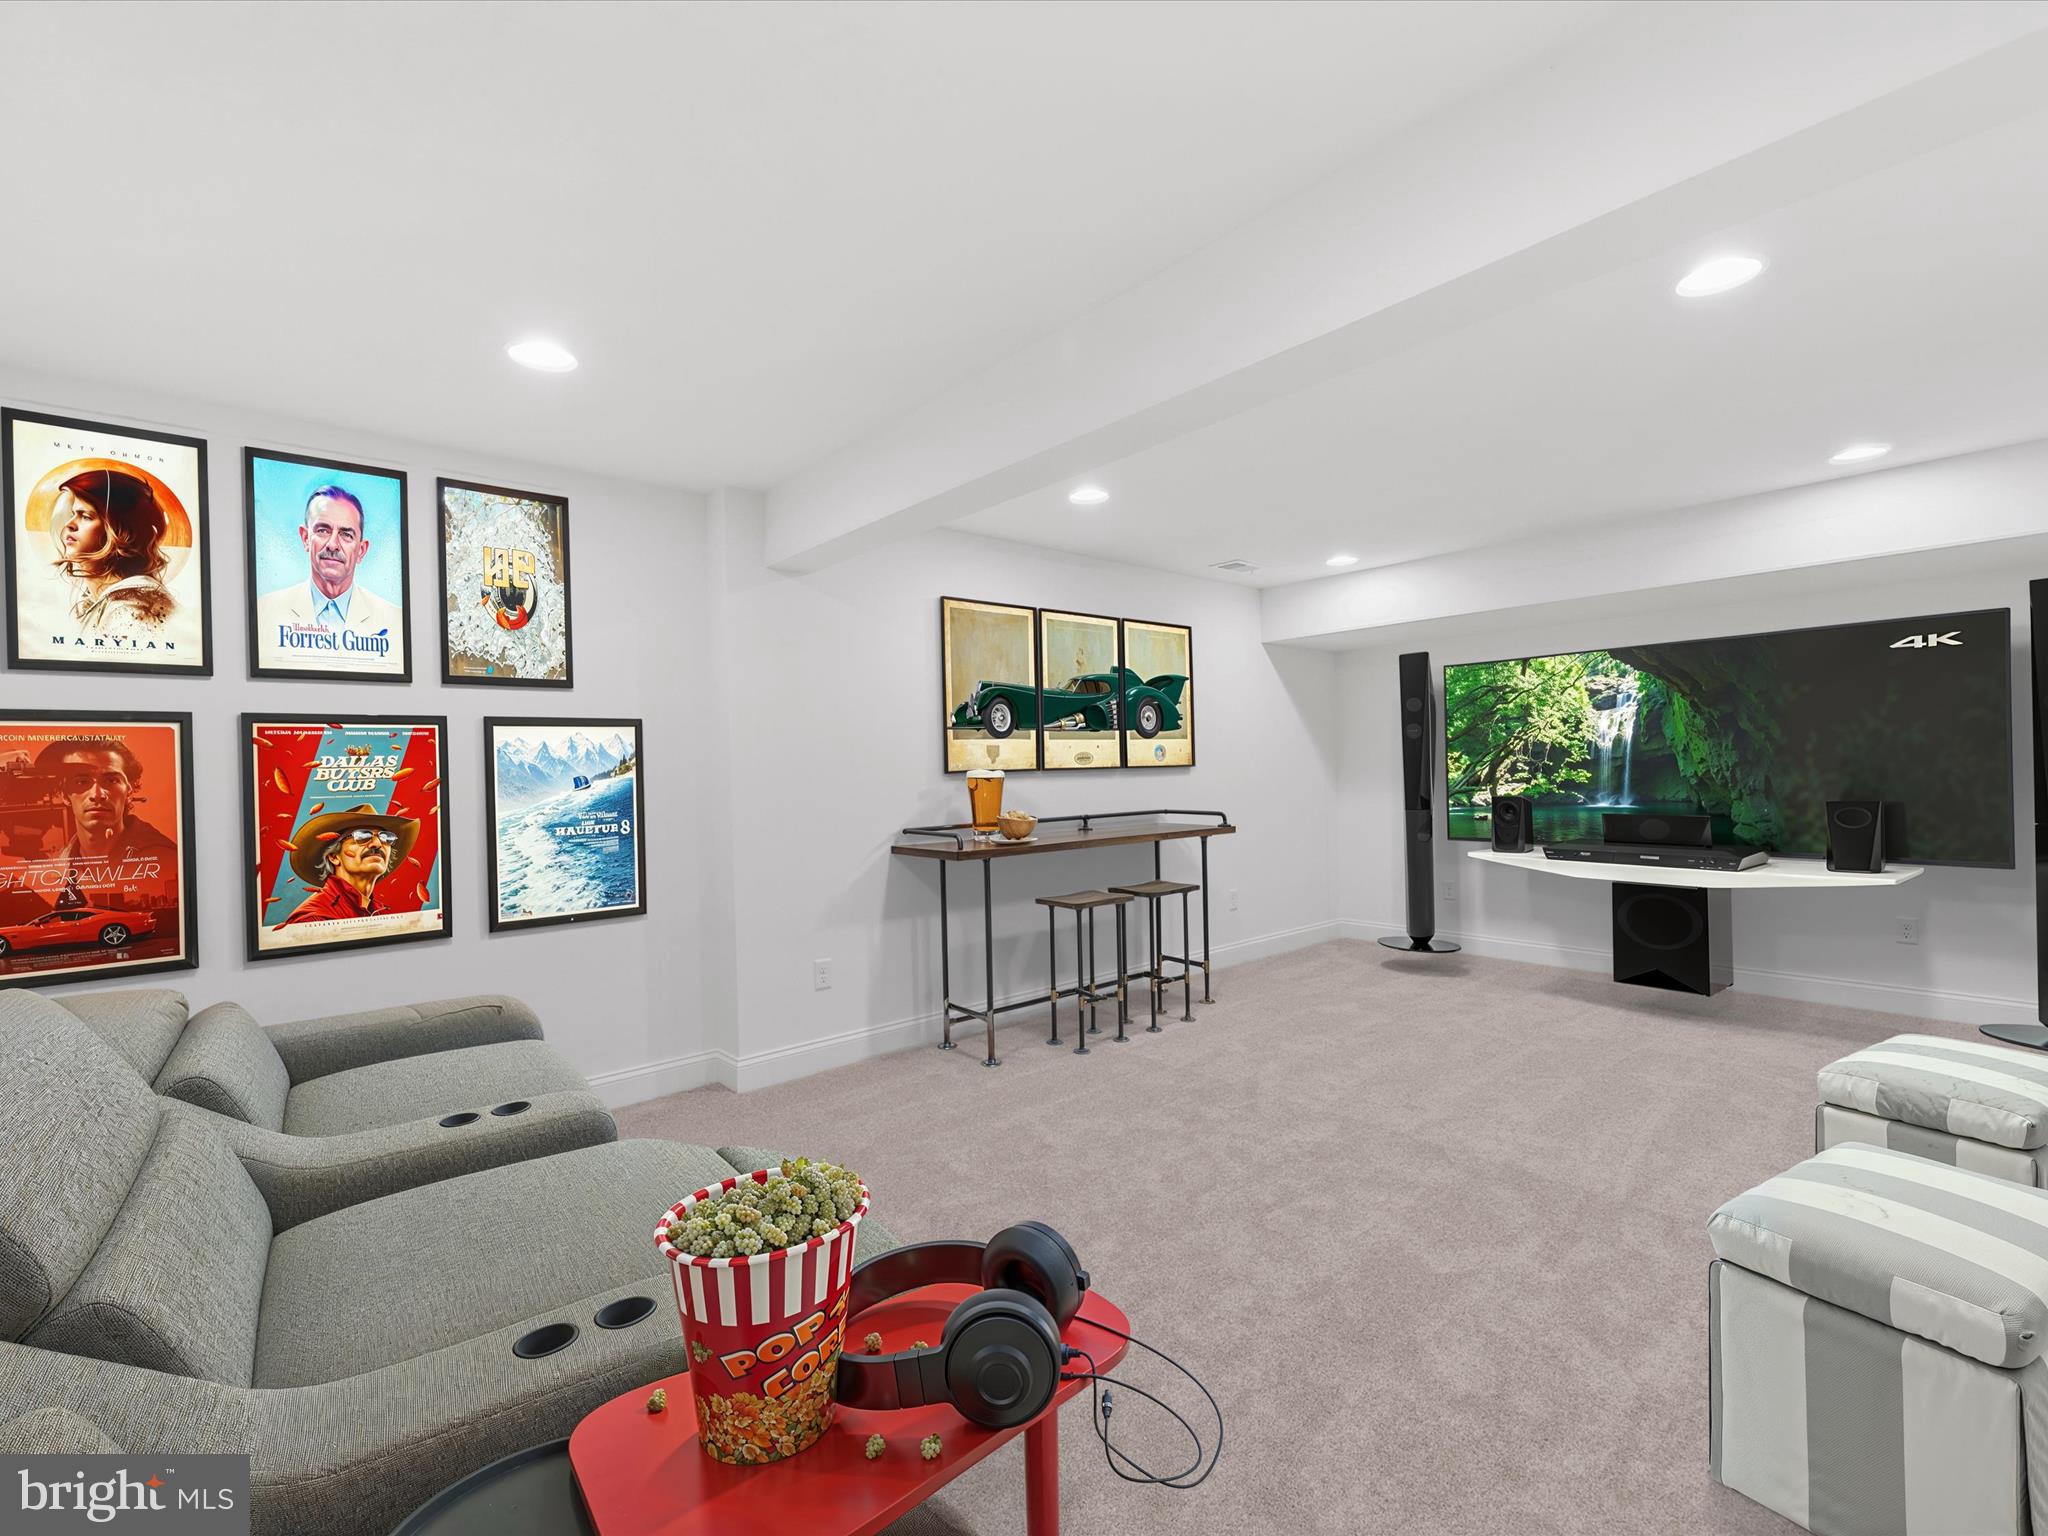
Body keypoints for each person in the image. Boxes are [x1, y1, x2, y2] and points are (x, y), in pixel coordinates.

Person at [254, 484, 402, 647]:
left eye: (346, 534)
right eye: (323, 530)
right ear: (305, 539)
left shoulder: (395, 622)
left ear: (361, 550)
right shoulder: (263, 612)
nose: (333, 544)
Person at [46, 467, 176, 634]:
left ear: (119, 531)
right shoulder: (98, 600)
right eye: (73, 514)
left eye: (86, 516)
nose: (69, 524)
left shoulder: (132, 611)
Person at [33, 738, 176, 864]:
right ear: (64, 795)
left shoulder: (162, 857)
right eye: (82, 782)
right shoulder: (56, 863)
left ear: (129, 789)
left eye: (111, 780)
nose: (97, 794)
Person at [281, 803, 419, 924]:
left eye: (385, 837)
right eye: (362, 836)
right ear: (334, 857)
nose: (377, 844)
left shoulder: (377, 911)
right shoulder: (314, 919)